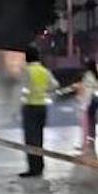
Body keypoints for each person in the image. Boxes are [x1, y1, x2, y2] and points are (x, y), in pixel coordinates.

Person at [19, 47, 56, 177]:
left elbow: (21, 88)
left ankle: (33, 169)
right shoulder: (44, 70)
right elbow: (54, 85)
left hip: (30, 107)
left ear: (26, 58)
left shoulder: (26, 70)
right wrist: (44, 92)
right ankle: (40, 166)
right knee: (39, 138)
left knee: (31, 139)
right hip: (42, 107)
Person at [79, 58, 98, 147]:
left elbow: (88, 89)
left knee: (89, 120)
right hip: (95, 99)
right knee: (92, 119)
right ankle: (92, 137)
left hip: (91, 99)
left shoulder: (88, 75)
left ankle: (89, 138)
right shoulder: (95, 74)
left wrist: (84, 103)